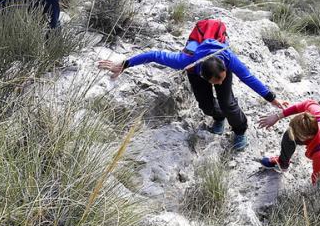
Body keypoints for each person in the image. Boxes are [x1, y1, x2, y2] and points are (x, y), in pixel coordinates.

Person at [97, 38, 284, 151]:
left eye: (222, 79)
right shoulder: (186, 62)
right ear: (205, 76)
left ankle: (240, 130)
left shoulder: (228, 60)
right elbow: (154, 55)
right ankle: (219, 118)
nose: (219, 83)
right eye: (215, 82)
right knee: (206, 105)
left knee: (228, 102)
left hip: (216, 67)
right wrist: (125, 64)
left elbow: (249, 78)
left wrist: (271, 98)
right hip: (196, 71)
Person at [257, 99, 320, 182]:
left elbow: (318, 179)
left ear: (307, 137)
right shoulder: (317, 114)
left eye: (297, 135)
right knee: (289, 134)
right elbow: (306, 103)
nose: (292, 135)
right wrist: (277, 116)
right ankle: (282, 163)